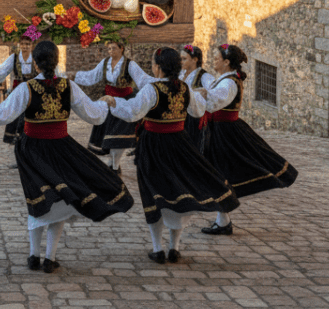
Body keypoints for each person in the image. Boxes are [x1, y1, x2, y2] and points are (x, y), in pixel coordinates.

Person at [0, 40, 133, 273]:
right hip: (62, 149)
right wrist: (105, 103)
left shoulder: (26, 89)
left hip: (33, 150)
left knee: (39, 200)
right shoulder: (68, 86)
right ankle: (49, 257)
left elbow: (2, 113)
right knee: (59, 200)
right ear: (56, 62)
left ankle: (34, 255)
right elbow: (93, 114)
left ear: (35, 64)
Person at [110, 47, 239, 263]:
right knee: (177, 189)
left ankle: (157, 247)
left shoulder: (152, 90)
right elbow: (197, 111)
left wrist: (114, 103)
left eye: (153, 63)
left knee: (153, 192)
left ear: (158, 67)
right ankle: (175, 247)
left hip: (153, 146)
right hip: (180, 144)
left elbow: (133, 112)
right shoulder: (185, 88)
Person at [198, 44, 299, 236]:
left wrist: (204, 94)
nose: (214, 61)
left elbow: (213, 104)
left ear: (227, 62)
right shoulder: (225, 79)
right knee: (219, 174)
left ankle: (223, 221)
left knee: (221, 173)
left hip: (225, 133)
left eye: (216, 58)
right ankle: (223, 221)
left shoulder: (228, 83)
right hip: (219, 130)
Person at [72, 39, 150, 172]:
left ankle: (114, 165)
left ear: (121, 48)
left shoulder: (129, 64)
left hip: (124, 102)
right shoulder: (105, 63)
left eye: (113, 48)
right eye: (109, 49)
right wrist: (75, 76)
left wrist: (158, 84)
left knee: (118, 136)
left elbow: (142, 79)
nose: (110, 51)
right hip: (108, 101)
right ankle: (113, 163)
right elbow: (93, 76)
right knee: (108, 134)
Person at [0, 37, 38, 145]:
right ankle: (14, 136)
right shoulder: (14, 58)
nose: (25, 46)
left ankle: (31, 135)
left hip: (32, 86)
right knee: (16, 110)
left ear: (31, 45)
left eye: (27, 44)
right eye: (22, 44)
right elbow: (3, 70)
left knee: (32, 110)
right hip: (18, 86)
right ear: (19, 45)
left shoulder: (36, 57)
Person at [180, 45, 212, 153]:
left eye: (184, 59)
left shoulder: (204, 76)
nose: (181, 61)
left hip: (194, 119)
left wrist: (201, 92)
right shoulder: (181, 74)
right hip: (181, 116)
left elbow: (211, 93)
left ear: (194, 60)